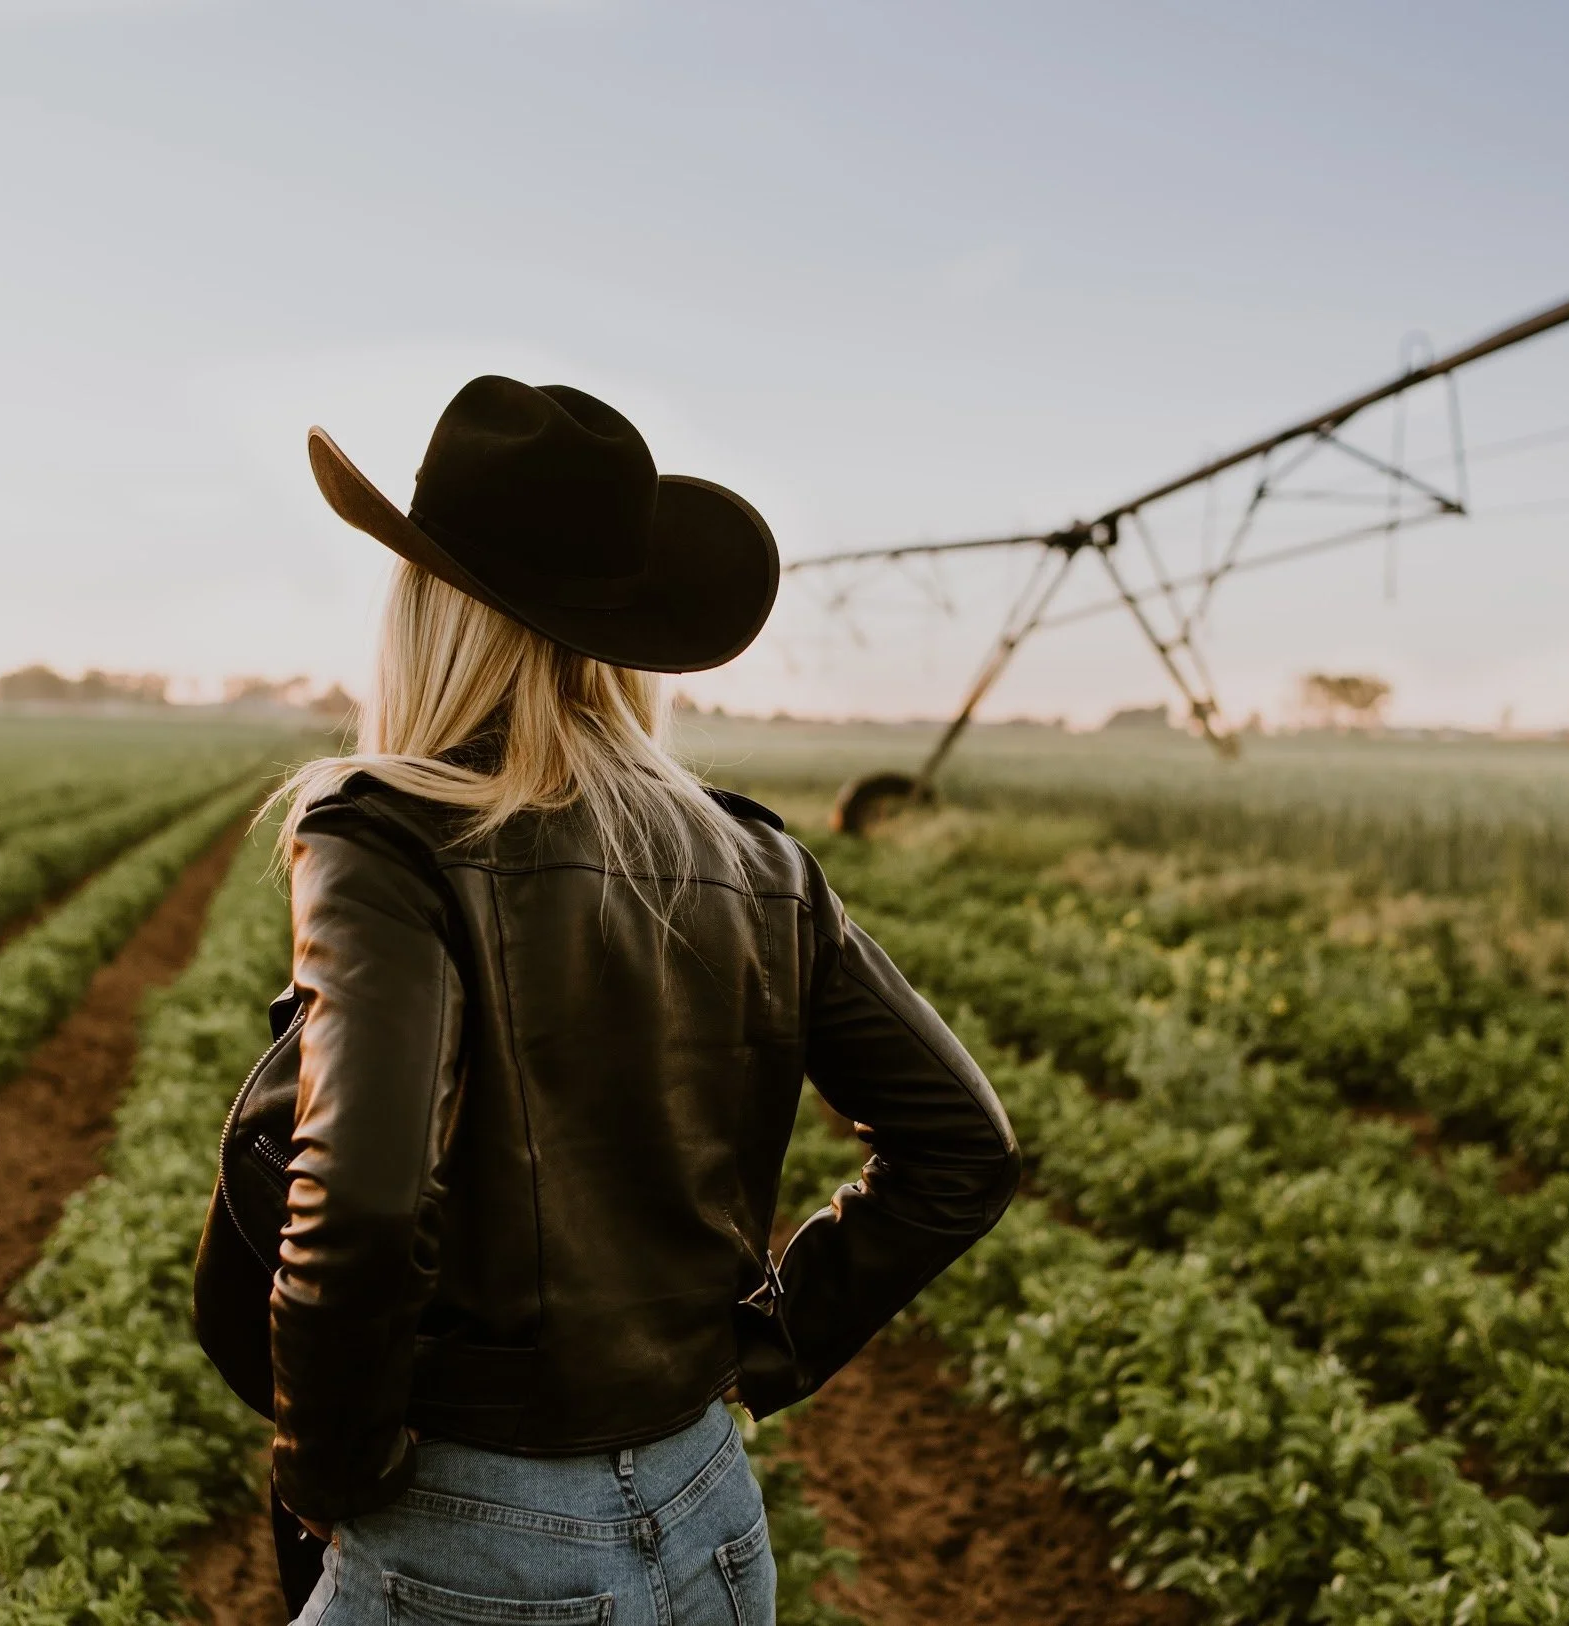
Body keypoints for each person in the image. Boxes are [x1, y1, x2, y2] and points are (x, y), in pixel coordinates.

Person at [253, 376, 1019, 1626]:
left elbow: (367, 1196)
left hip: (467, 1535)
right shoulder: (759, 861)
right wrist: (758, 1350)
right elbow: (965, 1148)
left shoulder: (382, 832)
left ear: (428, 609)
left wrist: (324, 1470)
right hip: (708, 1512)